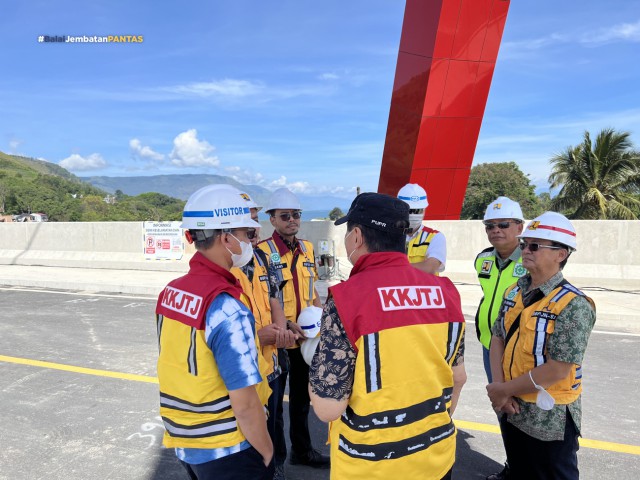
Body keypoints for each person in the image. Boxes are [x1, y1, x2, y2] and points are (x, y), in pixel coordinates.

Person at [308, 192, 465, 479]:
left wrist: (314, 359)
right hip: (437, 457)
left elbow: (328, 407)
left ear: (356, 236)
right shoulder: (446, 293)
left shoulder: (347, 298)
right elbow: (459, 377)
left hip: (372, 466)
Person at [155, 184, 274, 480]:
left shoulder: (170, 293)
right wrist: (266, 450)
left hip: (185, 440)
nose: (252, 241)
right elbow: (245, 403)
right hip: (228, 446)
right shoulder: (225, 308)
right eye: (247, 234)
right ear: (226, 238)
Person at [487, 212, 596, 480]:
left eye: (535, 245)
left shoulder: (574, 304)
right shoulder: (514, 291)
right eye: (524, 244)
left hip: (549, 418)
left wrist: (502, 390)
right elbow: (498, 336)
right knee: (519, 471)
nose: (525, 250)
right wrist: (500, 390)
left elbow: (558, 369)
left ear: (561, 254)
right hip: (512, 407)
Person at [256, 187, 329, 469]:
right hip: (279, 340)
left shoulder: (308, 248)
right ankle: (275, 464)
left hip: (306, 339)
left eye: (296, 215)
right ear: (272, 220)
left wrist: (322, 316)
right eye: (284, 215)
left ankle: (303, 451)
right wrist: (282, 323)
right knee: (274, 408)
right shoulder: (262, 253)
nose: (292, 220)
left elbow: (312, 292)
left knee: (301, 400)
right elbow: (262, 297)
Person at [230, 192, 298, 480]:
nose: (255, 229)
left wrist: (280, 332)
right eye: (248, 223)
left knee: (275, 417)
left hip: (272, 360)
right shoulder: (223, 267)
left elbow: (275, 298)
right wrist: (259, 337)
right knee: (248, 422)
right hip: (245, 365)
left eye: (255, 221)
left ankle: (276, 466)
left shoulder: (262, 257)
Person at [398, 183, 466, 414]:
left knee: (444, 374)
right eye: (409, 210)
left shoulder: (435, 237)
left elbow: (431, 266)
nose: (414, 216)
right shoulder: (388, 236)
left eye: (418, 211)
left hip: (427, 312)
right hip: (396, 312)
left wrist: (394, 268)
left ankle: (440, 418)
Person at [475, 197, 526, 480]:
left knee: (522, 410)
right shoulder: (483, 259)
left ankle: (524, 467)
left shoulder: (532, 258)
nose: (496, 230)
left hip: (520, 350)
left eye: (504, 224)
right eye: (490, 226)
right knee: (501, 406)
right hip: (489, 345)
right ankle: (514, 464)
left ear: (519, 226)